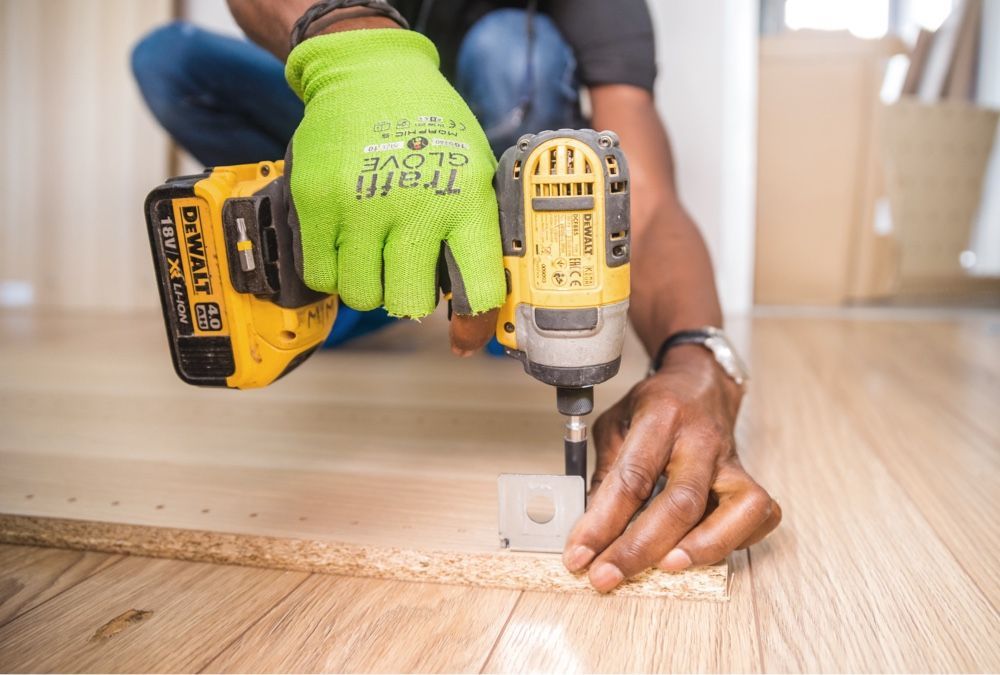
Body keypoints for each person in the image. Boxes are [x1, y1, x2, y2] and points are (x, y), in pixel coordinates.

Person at [131, 0, 781, 593]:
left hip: (496, 186)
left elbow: (646, 194)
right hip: (367, 137)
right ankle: (356, 271)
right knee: (172, 60)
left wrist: (698, 356)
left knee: (510, 50)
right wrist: (354, 51)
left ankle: (490, 286)